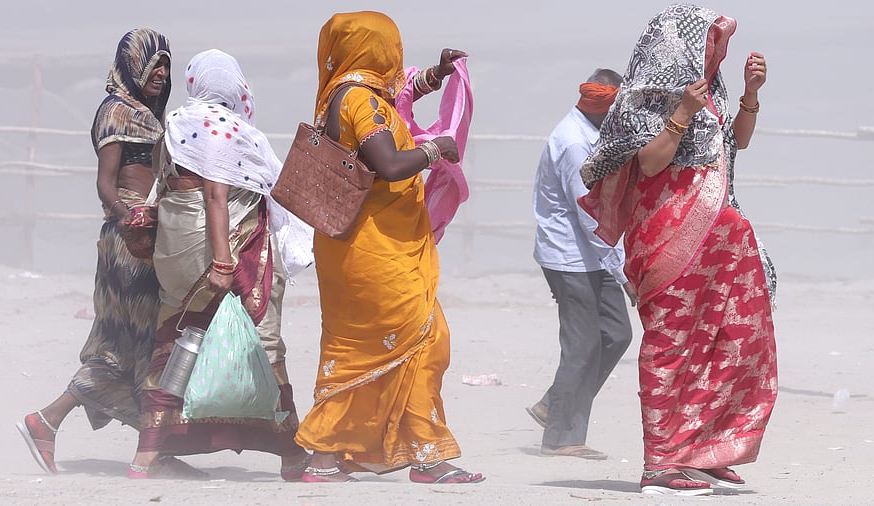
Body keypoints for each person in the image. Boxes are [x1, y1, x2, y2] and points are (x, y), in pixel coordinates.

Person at [578, 4, 778, 496]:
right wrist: (682, 112)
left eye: (718, 43)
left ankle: (708, 449)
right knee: (672, 344)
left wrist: (750, 96)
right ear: (679, 44)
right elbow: (648, 165)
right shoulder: (645, 98)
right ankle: (662, 463)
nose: (714, 51)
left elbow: (736, 144)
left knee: (733, 339)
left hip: (721, 241)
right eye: (707, 41)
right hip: (670, 241)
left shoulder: (713, 93)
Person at [292, 11, 483, 484]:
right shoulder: (362, 100)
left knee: (356, 348)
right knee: (425, 338)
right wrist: (439, 149)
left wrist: (435, 76)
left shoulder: (342, 94)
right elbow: (391, 163)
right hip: (376, 249)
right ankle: (427, 455)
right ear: (378, 50)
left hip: (346, 248)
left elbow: (394, 102)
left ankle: (324, 455)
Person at [127, 49, 310, 480]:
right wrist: (224, 262)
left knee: (172, 343)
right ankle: (291, 453)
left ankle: (146, 455)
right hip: (226, 254)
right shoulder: (225, 130)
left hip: (175, 253)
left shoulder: (175, 125)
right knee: (261, 344)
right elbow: (215, 196)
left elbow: (165, 186)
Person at [16, 28, 174, 475]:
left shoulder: (149, 113)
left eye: (166, 64)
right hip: (128, 242)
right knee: (134, 343)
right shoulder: (117, 111)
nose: (161, 72)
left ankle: (51, 422)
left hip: (144, 236)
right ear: (131, 65)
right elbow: (106, 183)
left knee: (136, 344)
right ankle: (149, 450)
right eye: (152, 64)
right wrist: (133, 215)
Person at [526, 69, 636, 461]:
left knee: (617, 334)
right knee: (583, 344)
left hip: (594, 255)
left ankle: (554, 403)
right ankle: (560, 437)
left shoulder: (595, 134)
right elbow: (591, 216)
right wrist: (626, 274)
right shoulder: (575, 144)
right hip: (570, 256)